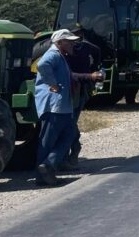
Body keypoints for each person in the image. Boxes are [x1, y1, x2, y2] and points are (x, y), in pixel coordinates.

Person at [33, 30, 81, 186]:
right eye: (69, 41)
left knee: (69, 135)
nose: (73, 43)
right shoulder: (53, 55)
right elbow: (42, 65)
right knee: (48, 141)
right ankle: (43, 174)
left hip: (61, 106)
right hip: (54, 106)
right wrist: (52, 84)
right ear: (59, 43)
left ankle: (47, 167)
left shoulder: (60, 56)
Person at [64, 30, 103, 170]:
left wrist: (92, 70)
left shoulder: (85, 47)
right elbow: (67, 74)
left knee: (71, 121)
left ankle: (73, 152)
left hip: (78, 88)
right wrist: (90, 74)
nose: (75, 41)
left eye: (77, 37)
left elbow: (97, 51)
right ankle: (67, 155)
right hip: (69, 87)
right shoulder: (61, 53)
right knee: (69, 122)